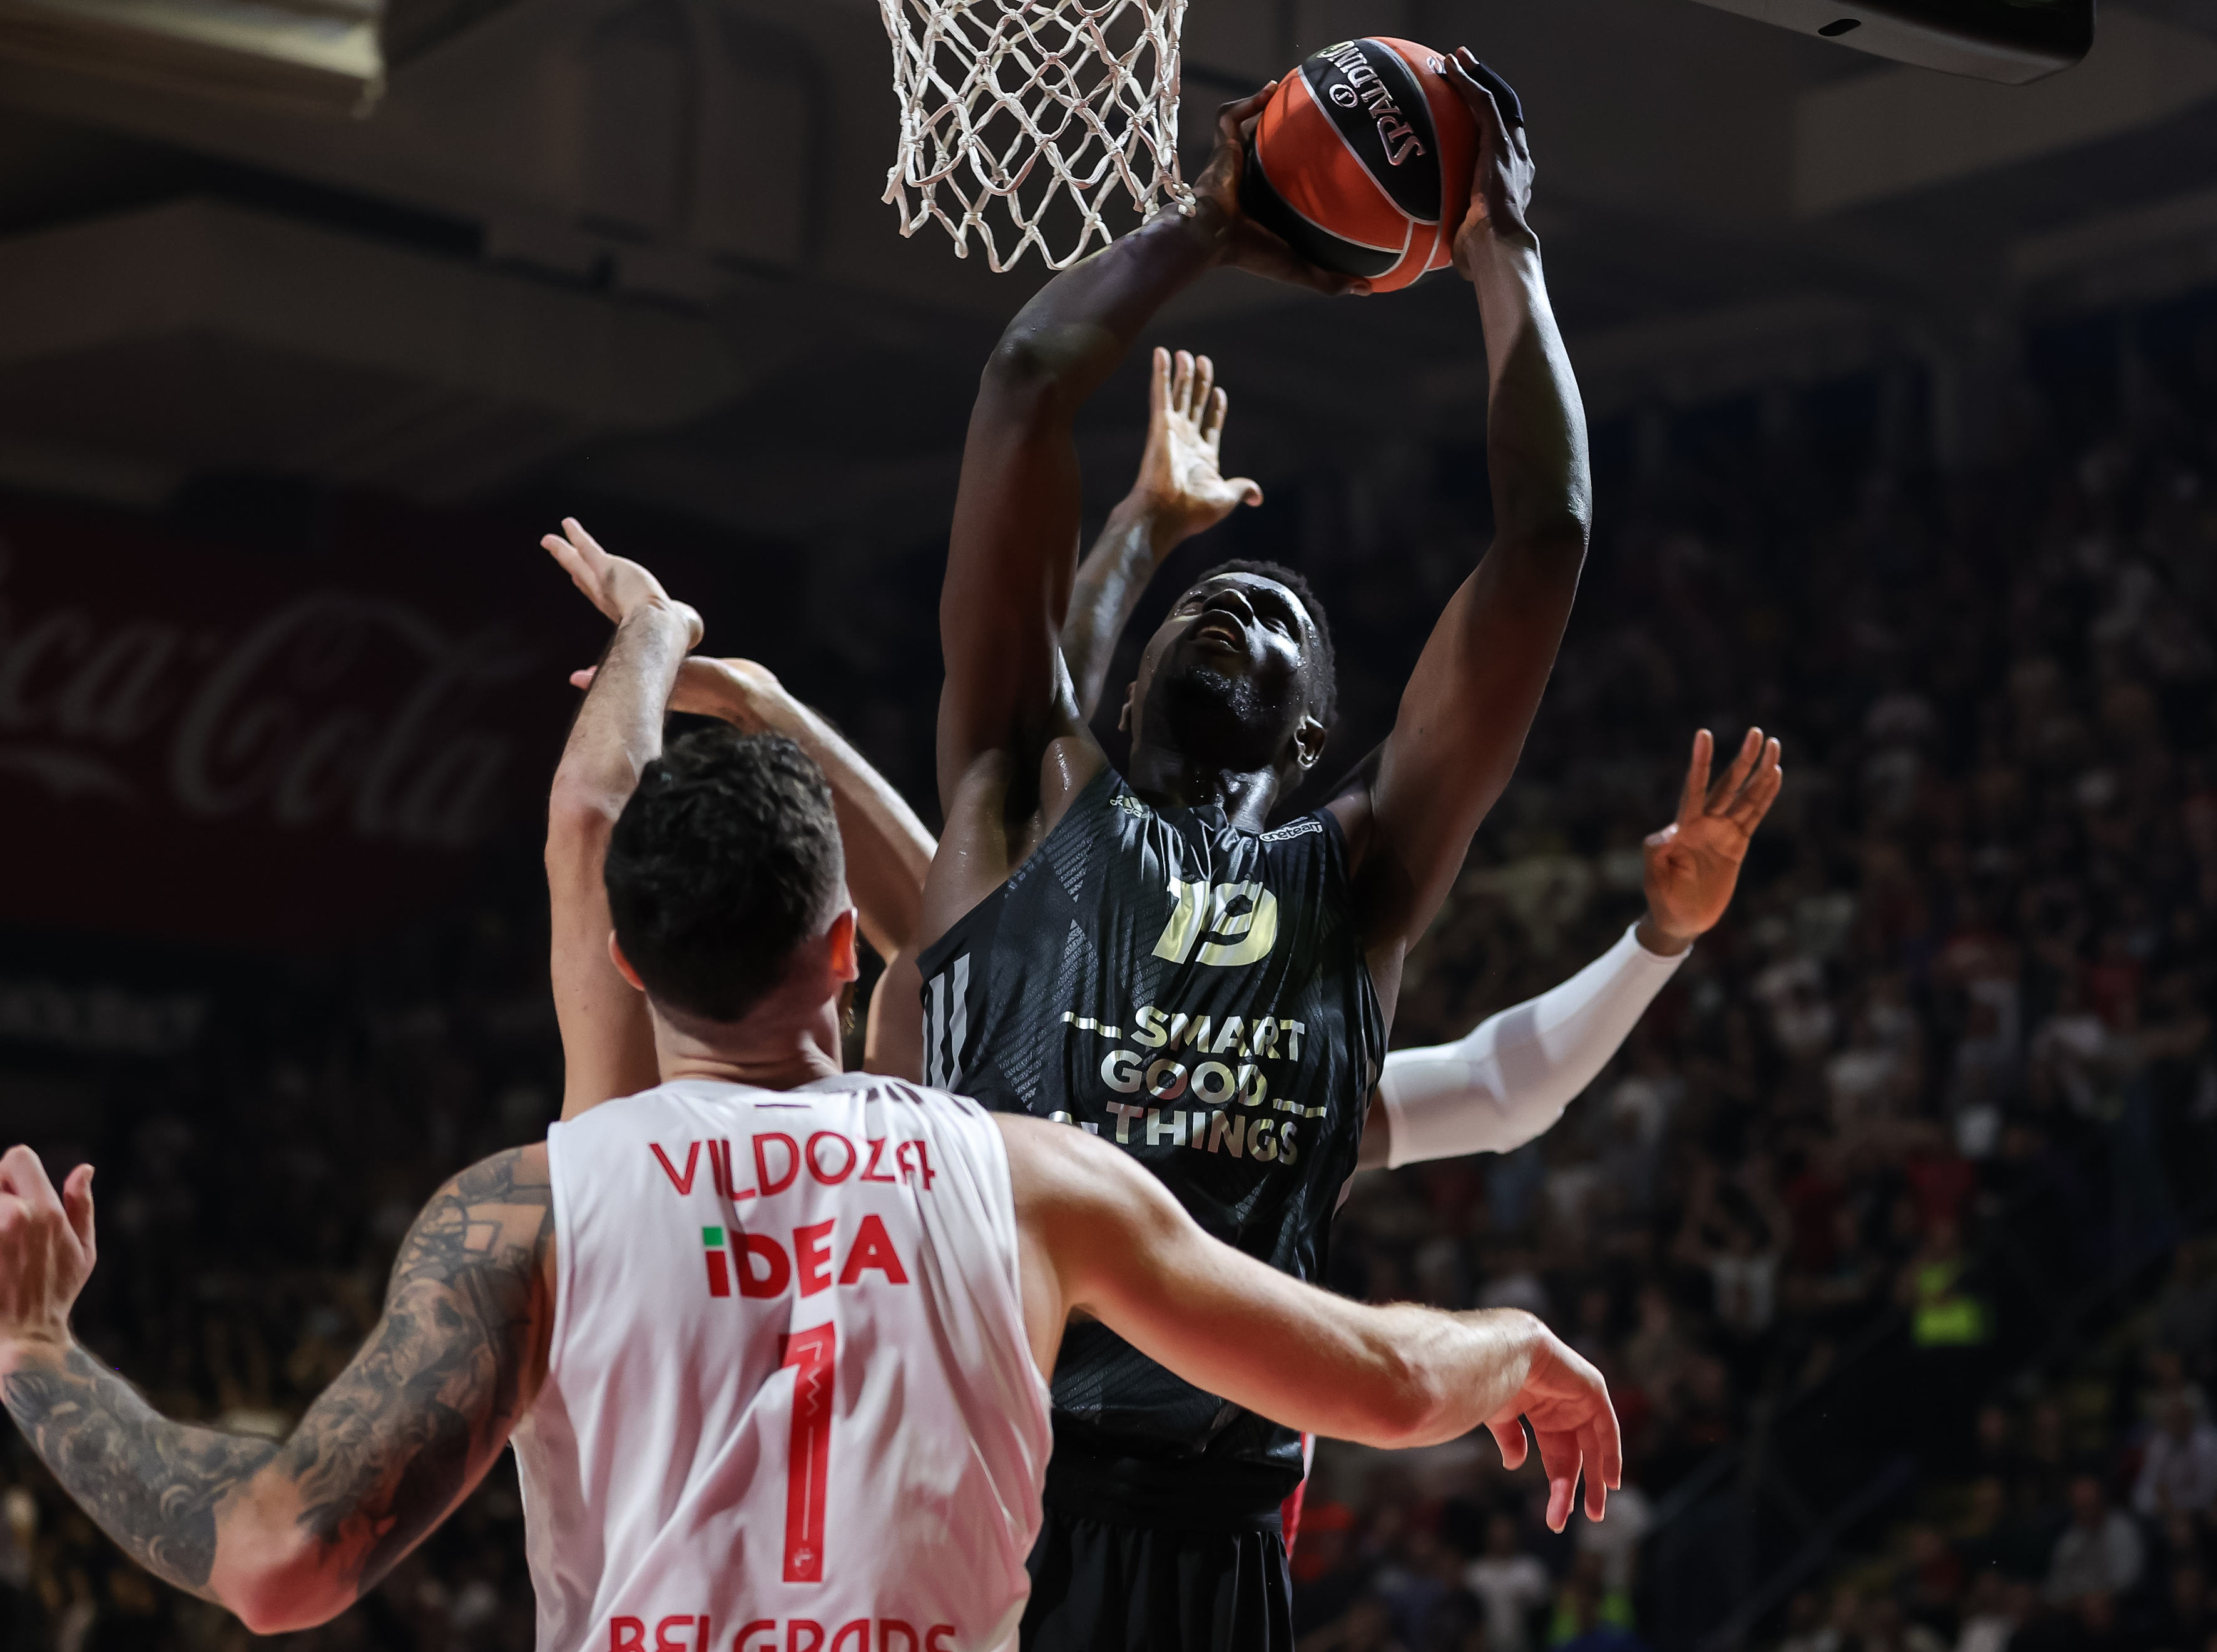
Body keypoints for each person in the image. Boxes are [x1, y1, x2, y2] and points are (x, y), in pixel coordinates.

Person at [0, 568, 1621, 1641]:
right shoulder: (1035, 1182)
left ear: (623, 959)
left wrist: (42, 1361)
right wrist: (1512, 1352)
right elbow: (1380, 1379)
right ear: (849, 946)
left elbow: (279, 1561)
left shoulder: (539, 1206)